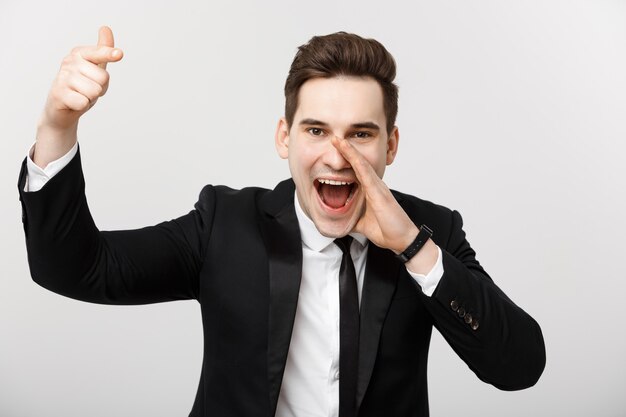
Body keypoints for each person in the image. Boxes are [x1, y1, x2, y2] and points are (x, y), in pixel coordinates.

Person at [18, 26, 545, 417]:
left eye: (361, 134)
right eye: (317, 130)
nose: (338, 157)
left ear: (392, 145)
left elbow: (518, 366)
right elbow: (73, 268)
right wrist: (57, 125)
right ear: (284, 138)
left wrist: (412, 247)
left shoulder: (431, 231)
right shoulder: (224, 224)